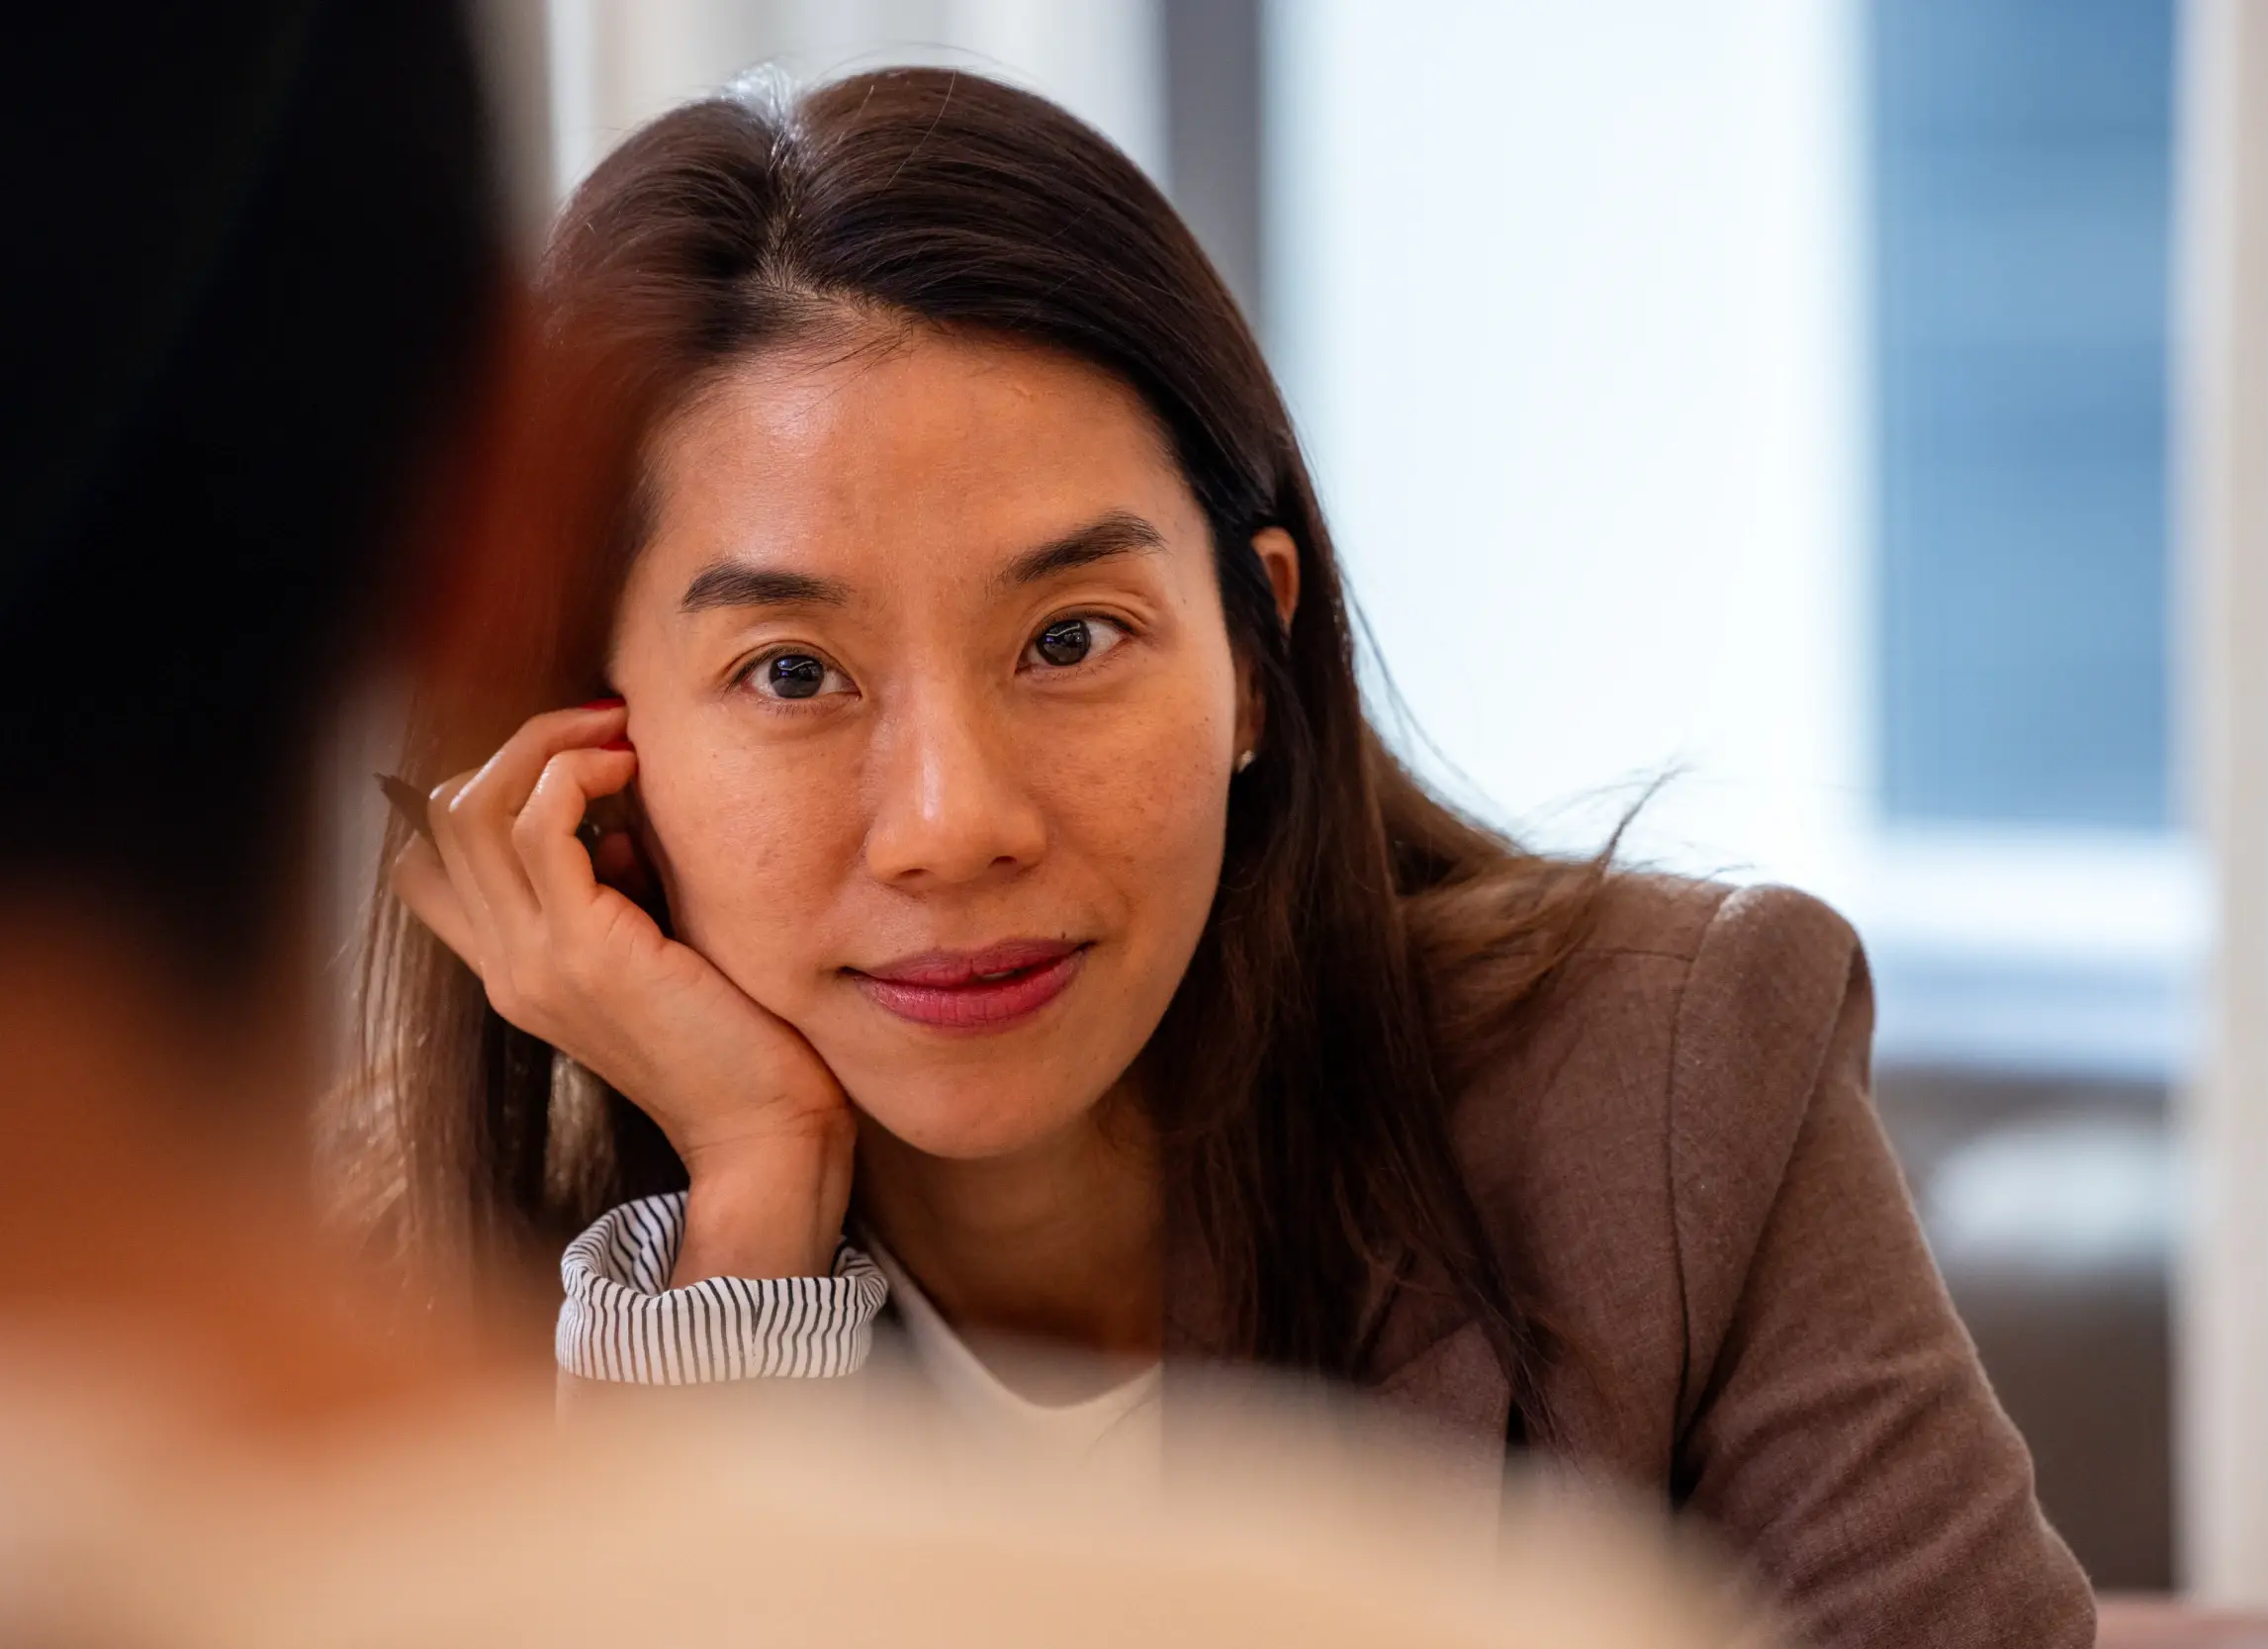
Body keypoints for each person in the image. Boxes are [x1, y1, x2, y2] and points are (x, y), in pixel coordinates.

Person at [357, 66, 2094, 1647]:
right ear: (600, 734)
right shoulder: (396, 1273)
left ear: (1254, 657)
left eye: (1070, 638)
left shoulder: (1675, 1085)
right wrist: (744, 1211)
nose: (956, 823)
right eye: (793, 673)